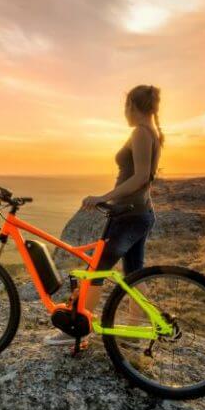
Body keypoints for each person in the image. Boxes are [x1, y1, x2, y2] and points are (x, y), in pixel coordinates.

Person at [44, 84, 164, 346]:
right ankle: (135, 333)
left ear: (132, 106)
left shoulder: (141, 133)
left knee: (96, 271)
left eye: (125, 107)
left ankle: (75, 329)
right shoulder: (151, 133)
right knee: (134, 273)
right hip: (140, 213)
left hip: (129, 215)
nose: (124, 112)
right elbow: (144, 178)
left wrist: (104, 197)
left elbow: (141, 176)